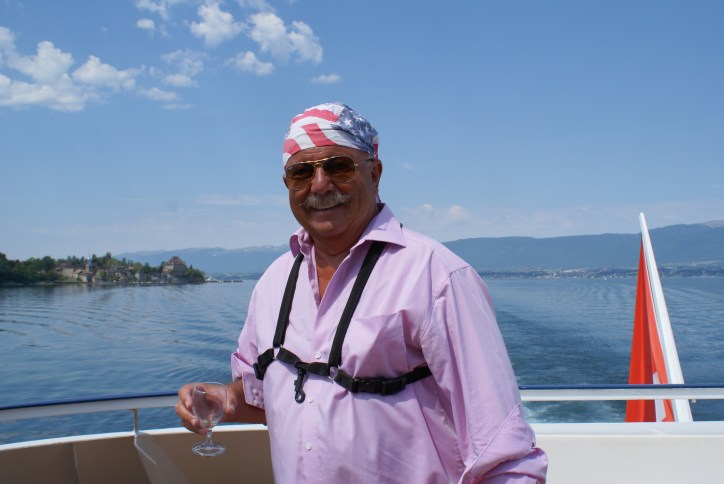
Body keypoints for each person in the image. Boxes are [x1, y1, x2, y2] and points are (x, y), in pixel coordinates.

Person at [177, 102, 548, 483]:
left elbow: (505, 455)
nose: (319, 185)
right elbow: (261, 395)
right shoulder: (273, 282)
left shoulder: (436, 277)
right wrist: (225, 399)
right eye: (301, 172)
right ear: (287, 184)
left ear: (375, 173)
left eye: (338, 167)